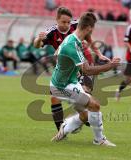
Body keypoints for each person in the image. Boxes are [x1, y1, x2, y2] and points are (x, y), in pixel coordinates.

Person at [50, 12, 120, 146]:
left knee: (85, 116)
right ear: (89, 28)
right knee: (95, 105)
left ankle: (65, 127)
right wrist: (110, 66)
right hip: (61, 87)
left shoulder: (74, 37)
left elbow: (57, 54)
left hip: (69, 82)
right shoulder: (72, 45)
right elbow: (86, 70)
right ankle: (99, 140)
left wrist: (69, 67)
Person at [34, 7, 109, 132]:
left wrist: (100, 55)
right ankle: (62, 130)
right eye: (63, 22)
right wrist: (38, 39)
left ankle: (86, 121)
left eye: (68, 22)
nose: (67, 25)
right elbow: (37, 45)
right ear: (57, 20)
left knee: (85, 94)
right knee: (54, 98)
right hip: (66, 69)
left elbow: (90, 40)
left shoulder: (77, 25)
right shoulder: (51, 33)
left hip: (83, 64)